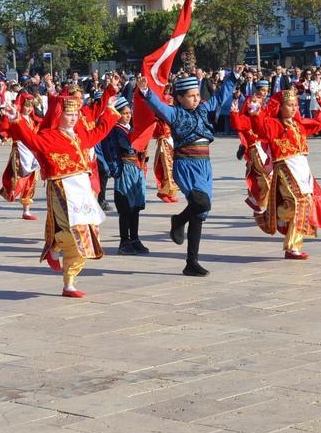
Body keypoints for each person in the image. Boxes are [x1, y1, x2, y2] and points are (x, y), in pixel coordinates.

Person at [1, 95, 120, 297]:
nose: (73, 118)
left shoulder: (81, 137)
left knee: (89, 233)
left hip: (82, 189)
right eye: (68, 114)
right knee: (74, 230)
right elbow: (31, 140)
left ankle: (69, 281)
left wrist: (109, 109)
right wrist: (17, 119)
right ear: (59, 114)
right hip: (61, 187)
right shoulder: (49, 137)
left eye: (75, 114)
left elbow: (100, 131)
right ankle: (56, 244)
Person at [138, 66, 242, 276]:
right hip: (186, 164)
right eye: (191, 96)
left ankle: (191, 262)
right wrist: (146, 92)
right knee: (202, 202)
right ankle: (177, 221)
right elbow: (158, 106)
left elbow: (221, 96)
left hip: (205, 164)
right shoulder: (174, 113)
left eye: (197, 95)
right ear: (179, 97)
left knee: (200, 212)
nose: (196, 99)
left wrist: (234, 77)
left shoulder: (203, 108)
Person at [235, 89, 321, 259]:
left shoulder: (299, 125)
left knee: (305, 204)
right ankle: (292, 247)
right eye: (289, 105)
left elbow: (318, 124)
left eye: (296, 104)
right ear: (280, 107)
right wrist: (256, 111)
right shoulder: (273, 124)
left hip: (303, 168)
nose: (294, 108)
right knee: (299, 201)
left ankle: (274, 216)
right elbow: (259, 127)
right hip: (285, 167)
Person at [101, 97, 149, 255]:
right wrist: (116, 170)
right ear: (117, 114)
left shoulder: (130, 128)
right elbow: (114, 150)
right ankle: (124, 241)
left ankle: (135, 238)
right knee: (126, 207)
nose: (128, 115)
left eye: (130, 113)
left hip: (136, 168)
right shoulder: (115, 130)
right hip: (125, 169)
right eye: (125, 113)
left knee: (136, 207)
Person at [0, 92, 41, 220]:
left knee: (31, 180)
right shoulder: (16, 117)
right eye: (26, 105)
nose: (29, 108)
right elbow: (6, 126)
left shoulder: (33, 120)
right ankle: (9, 190)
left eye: (31, 106)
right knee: (17, 176)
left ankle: (26, 210)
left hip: (32, 152)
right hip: (20, 150)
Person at [230, 79, 271, 214]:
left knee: (262, 174)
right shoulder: (251, 102)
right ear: (257, 89)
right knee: (265, 175)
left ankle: (257, 202)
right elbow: (242, 120)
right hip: (255, 144)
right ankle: (257, 201)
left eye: (266, 90)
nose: (264, 93)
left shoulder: (265, 104)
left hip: (265, 144)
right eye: (262, 90)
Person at [152, 87, 179, 203]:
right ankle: (163, 191)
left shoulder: (174, 113)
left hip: (172, 140)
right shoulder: (159, 117)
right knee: (167, 168)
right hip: (164, 141)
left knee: (173, 168)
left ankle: (170, 191)